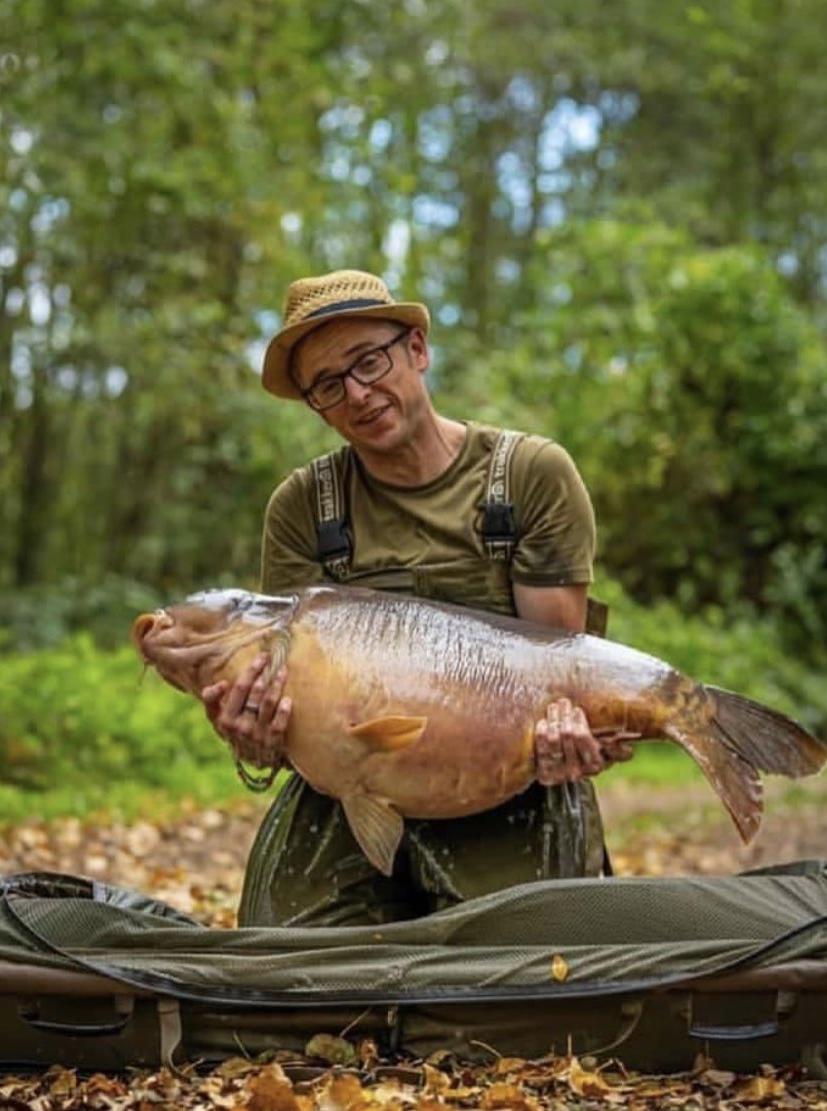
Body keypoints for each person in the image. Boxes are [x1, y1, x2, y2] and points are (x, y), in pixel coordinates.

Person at [202, 269, 632, 927]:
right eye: (328, 384)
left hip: (502, 783)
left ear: (418, 349)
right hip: (351, 787)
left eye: (368, 361)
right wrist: (257, 739)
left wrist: (567, 739)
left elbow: (559, 672)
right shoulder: (303, 507)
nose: (357, 393)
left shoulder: (530, 476)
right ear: (315, 404)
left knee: (526, 966)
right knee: (276, 965)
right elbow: (296, 717)